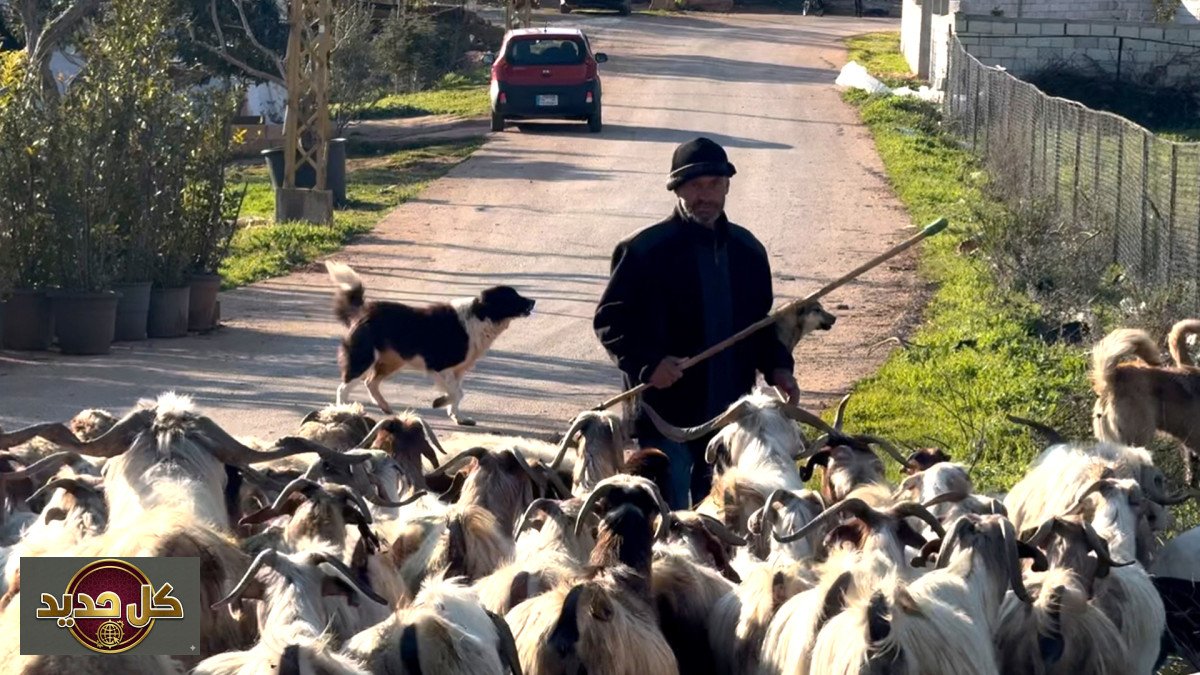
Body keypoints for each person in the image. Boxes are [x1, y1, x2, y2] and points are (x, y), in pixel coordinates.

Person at [593, 137, 800, 509]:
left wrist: (779, 369)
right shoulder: (643, 251)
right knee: (669, 518)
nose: (705, 195)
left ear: (727, 186)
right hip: (664, 416)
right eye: (694, 186)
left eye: (714, 184)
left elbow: (761, 327)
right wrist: (649, 364)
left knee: (720, 518)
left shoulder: (748, 252)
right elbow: (610, 321)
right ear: (677, 189)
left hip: (730, 416)